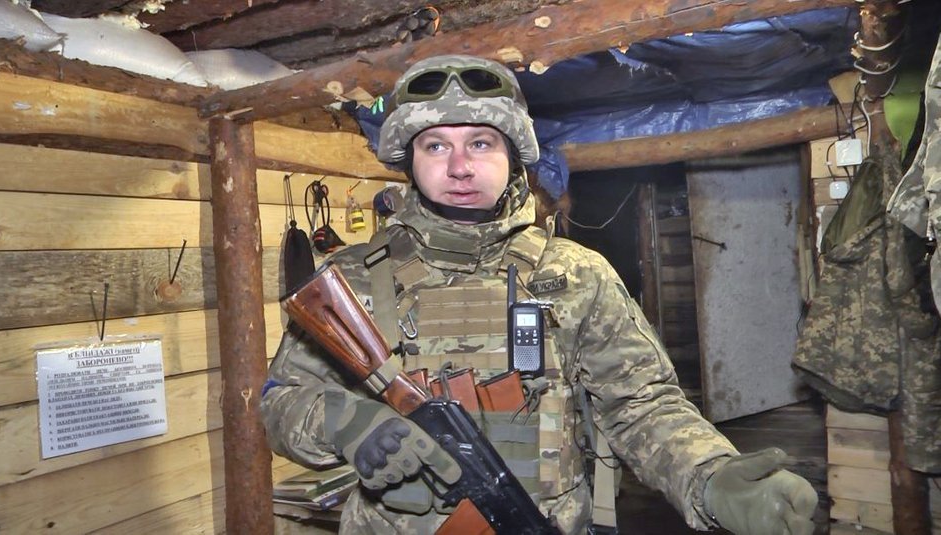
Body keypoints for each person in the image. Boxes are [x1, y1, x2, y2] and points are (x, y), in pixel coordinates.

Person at [261, 54, 818, 534]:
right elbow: (282, 400)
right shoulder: (353, 278)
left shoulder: (575, 274)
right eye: (436, 146)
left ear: (513, 155)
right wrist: (347, 423)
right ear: (409, 160)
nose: (460, 167)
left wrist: (711, 476)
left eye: (481, 143)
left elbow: (642, 405)